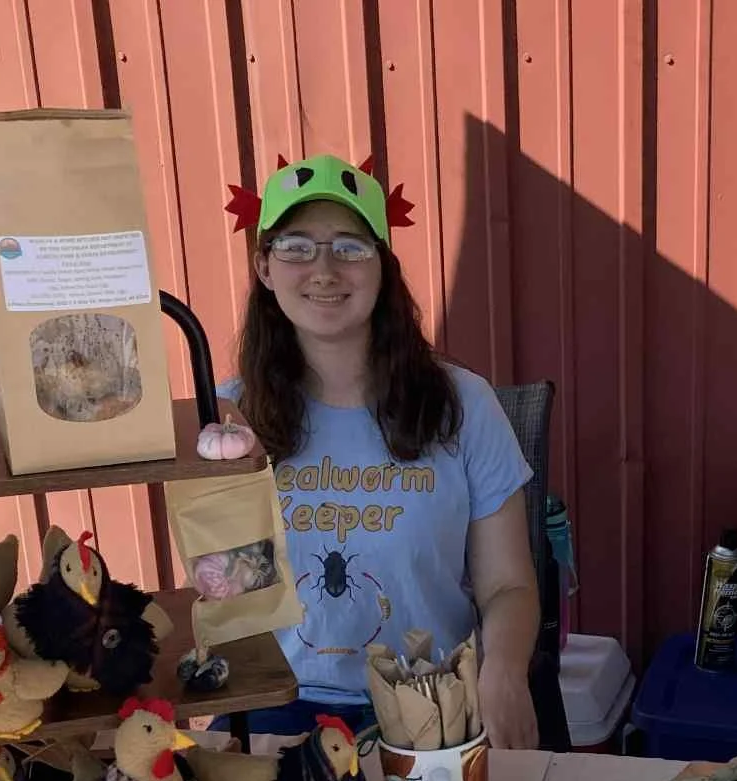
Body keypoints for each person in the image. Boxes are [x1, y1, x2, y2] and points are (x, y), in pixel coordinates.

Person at [226, 154, 541, 749]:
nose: (324, 268)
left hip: (430, 703)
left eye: (350, 246)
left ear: (382, 268)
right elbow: (219, 593)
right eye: (296, 246)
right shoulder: (225, 421)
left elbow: (508, 586)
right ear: (265, 267)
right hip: (274, 707)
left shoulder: (463, 406)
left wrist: (504, 671)